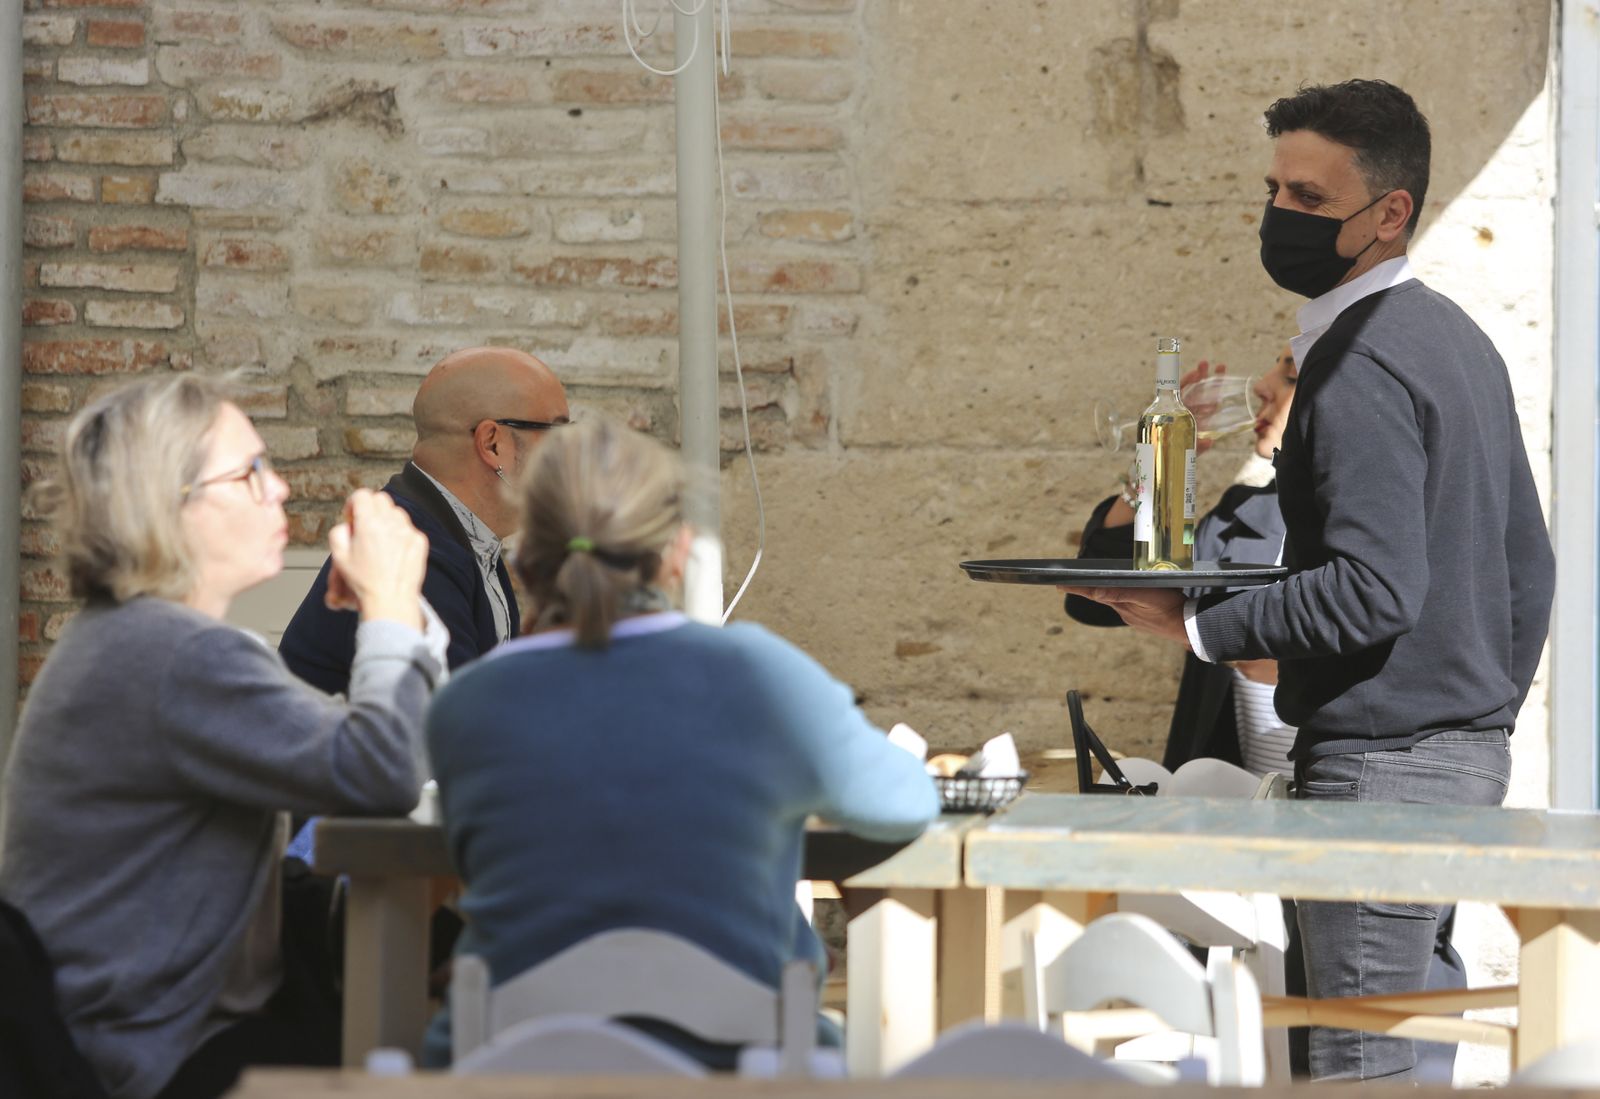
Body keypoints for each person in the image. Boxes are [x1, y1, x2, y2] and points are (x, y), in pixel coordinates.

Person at [1066, 79, 1555, 1082]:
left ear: (1390, 215)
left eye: (1309, 199)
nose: (1280, 217)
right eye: (1274, 190)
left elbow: (1376, 589)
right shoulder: (1453, 341)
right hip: (1442, 761)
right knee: (1401, 1045)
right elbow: (1528, 572)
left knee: (1356, 1061)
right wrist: (1475, 723)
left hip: (1383, 768)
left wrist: (1200, 627)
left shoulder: (1361, 361)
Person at [420, 417, 941, 1067]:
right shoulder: (760, 675)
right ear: (676, 551)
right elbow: (902, 803)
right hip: (745, 1064)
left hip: (510, 1066)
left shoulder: (467, 703)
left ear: (525, 558)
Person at [0, 374, 447, 1099]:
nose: (280, 491)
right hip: (155, 1056)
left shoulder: (144, 641)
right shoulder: (176, 652)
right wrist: (391, 604)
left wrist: (397, 615)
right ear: (168, 505)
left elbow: (360, 746)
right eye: (251, 473)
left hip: (138, 1032)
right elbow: (386, 767)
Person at [279, 346, 569, 694]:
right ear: (492, 444)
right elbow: (459, 731)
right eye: (556, 434)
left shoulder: (462, 538)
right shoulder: (414, 556)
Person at [1067, 347, 1298, 775]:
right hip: (1232, 800)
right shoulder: (1244, 511)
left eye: (1293, 377)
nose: (1263, 386)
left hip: (1350, 801)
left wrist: (1202, 632)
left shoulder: (1385, 525)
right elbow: (1092, 600)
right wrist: (1159, 462)